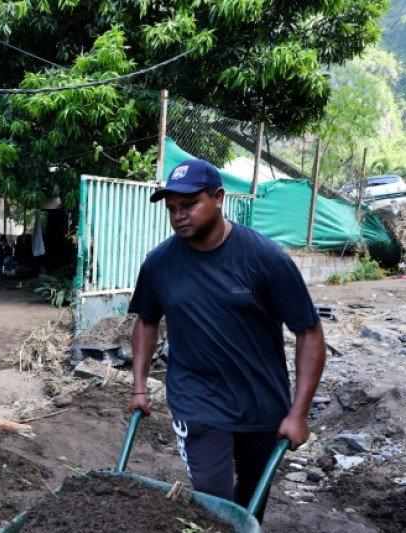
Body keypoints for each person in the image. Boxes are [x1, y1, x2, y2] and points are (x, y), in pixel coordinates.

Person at [127, 158, 325, 521]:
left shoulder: (264, 258)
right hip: (196, 400)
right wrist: (139, 386)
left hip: (261, 401)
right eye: (172, 209)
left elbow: (309, 331)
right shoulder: (159, 264)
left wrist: (299, 413)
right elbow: (146, 321)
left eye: (189, 205)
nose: (179, 216)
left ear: (218, 197)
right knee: (214, 507)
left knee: (251, 504)